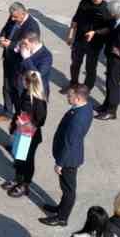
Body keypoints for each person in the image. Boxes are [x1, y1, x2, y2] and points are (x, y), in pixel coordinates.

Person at [40, 84, 93, 226]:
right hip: (71, 155)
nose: (67, 98)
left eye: (70, 96)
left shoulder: (78, 118)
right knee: (66, 188)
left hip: (69, 159)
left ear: (78, 98)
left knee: (68, 190)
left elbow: (70, 142)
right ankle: (60, 208)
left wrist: (60, 163)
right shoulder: (85, 106)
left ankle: (62, 218)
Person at [6, 70, 47, 199]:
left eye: (24, 80)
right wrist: (14, 125)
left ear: (29, 83)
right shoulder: (25, 93)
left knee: (27, 160)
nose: (21, 82)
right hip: (20, 130)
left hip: (30, 135)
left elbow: (40, 120)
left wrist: (24, 123)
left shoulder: (39, 101)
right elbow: (19, 111)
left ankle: (25, 184)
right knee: (19, 156)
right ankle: (17, 179)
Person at [0, 3, 41, 118]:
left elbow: (28, 46)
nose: (12, 19)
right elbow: (5, 28)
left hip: (19, 64)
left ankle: (20, 115)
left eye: (15, 17)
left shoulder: (32, 26)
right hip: (8, 59)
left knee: (18, 89)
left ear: (23, 13)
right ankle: (7, 112)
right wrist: (2, 37)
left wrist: (10, 44)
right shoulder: (13, 16)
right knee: (6, 86)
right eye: (11, 16)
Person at [66, 0, 111, 89]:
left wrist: (95, 32)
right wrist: (70, 35)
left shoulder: (106, 9)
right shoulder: (84, 2)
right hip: (79, 39)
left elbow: (109, 28)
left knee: (90, 68)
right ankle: (73, 84)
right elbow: (76, 18)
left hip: (95, 43)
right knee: (75, 64)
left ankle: (86, 89)